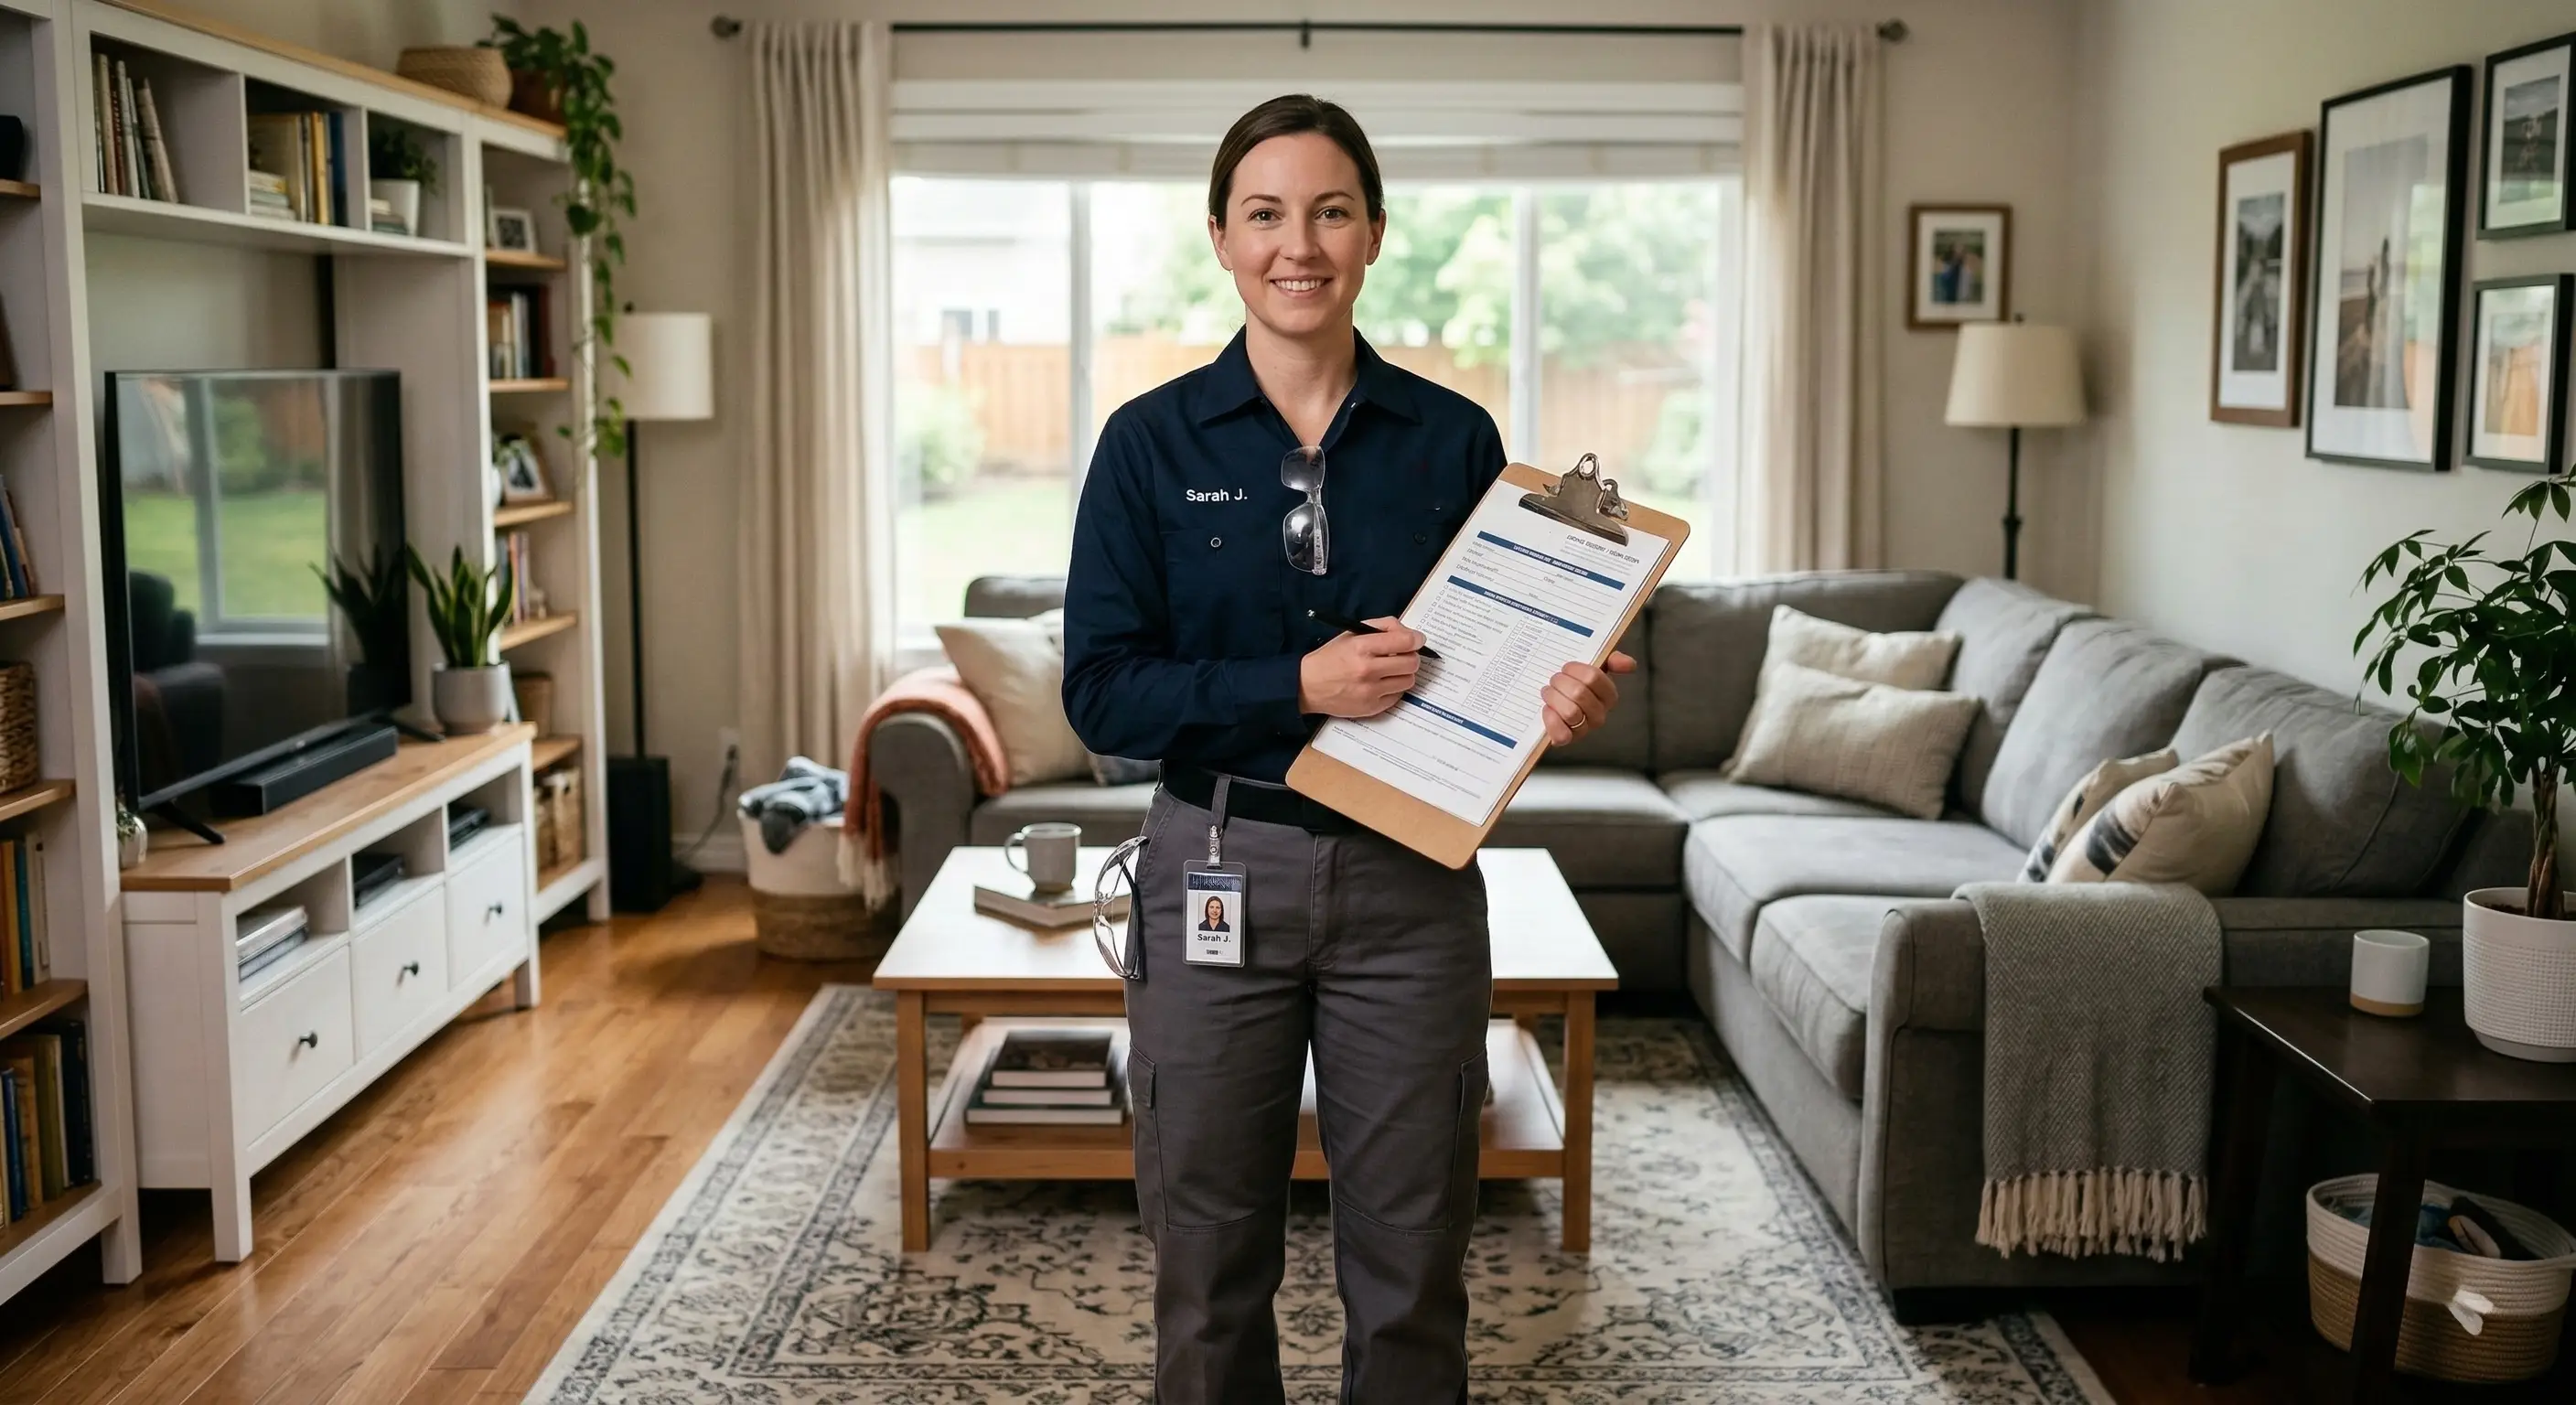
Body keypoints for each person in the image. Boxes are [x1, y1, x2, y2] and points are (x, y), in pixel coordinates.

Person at [1060, 93, 1633, 1404]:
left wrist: (1557, 705)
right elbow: (1101, 694)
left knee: (1415, 1262)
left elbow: (1499, 660)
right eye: (1265, 214)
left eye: (1329, 211)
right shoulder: (1147, 446)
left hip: (1411, 887)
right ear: (1220, 237)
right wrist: (1296, 684)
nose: (1297, 244)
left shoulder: (1455, 444)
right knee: (1206, 1266)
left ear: (1375, 231)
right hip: (1214, 868)